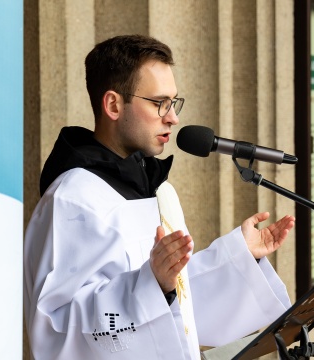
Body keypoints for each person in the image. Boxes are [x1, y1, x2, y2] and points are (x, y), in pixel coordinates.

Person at [23, 34, 294, 360]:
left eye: (174, 102)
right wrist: (150, 285)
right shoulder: (71, 201)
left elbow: (178, 299)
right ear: (113, 105)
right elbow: (56, 327)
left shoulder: (157, 190)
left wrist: (238, 255)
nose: (173, 118)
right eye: (158, 103)